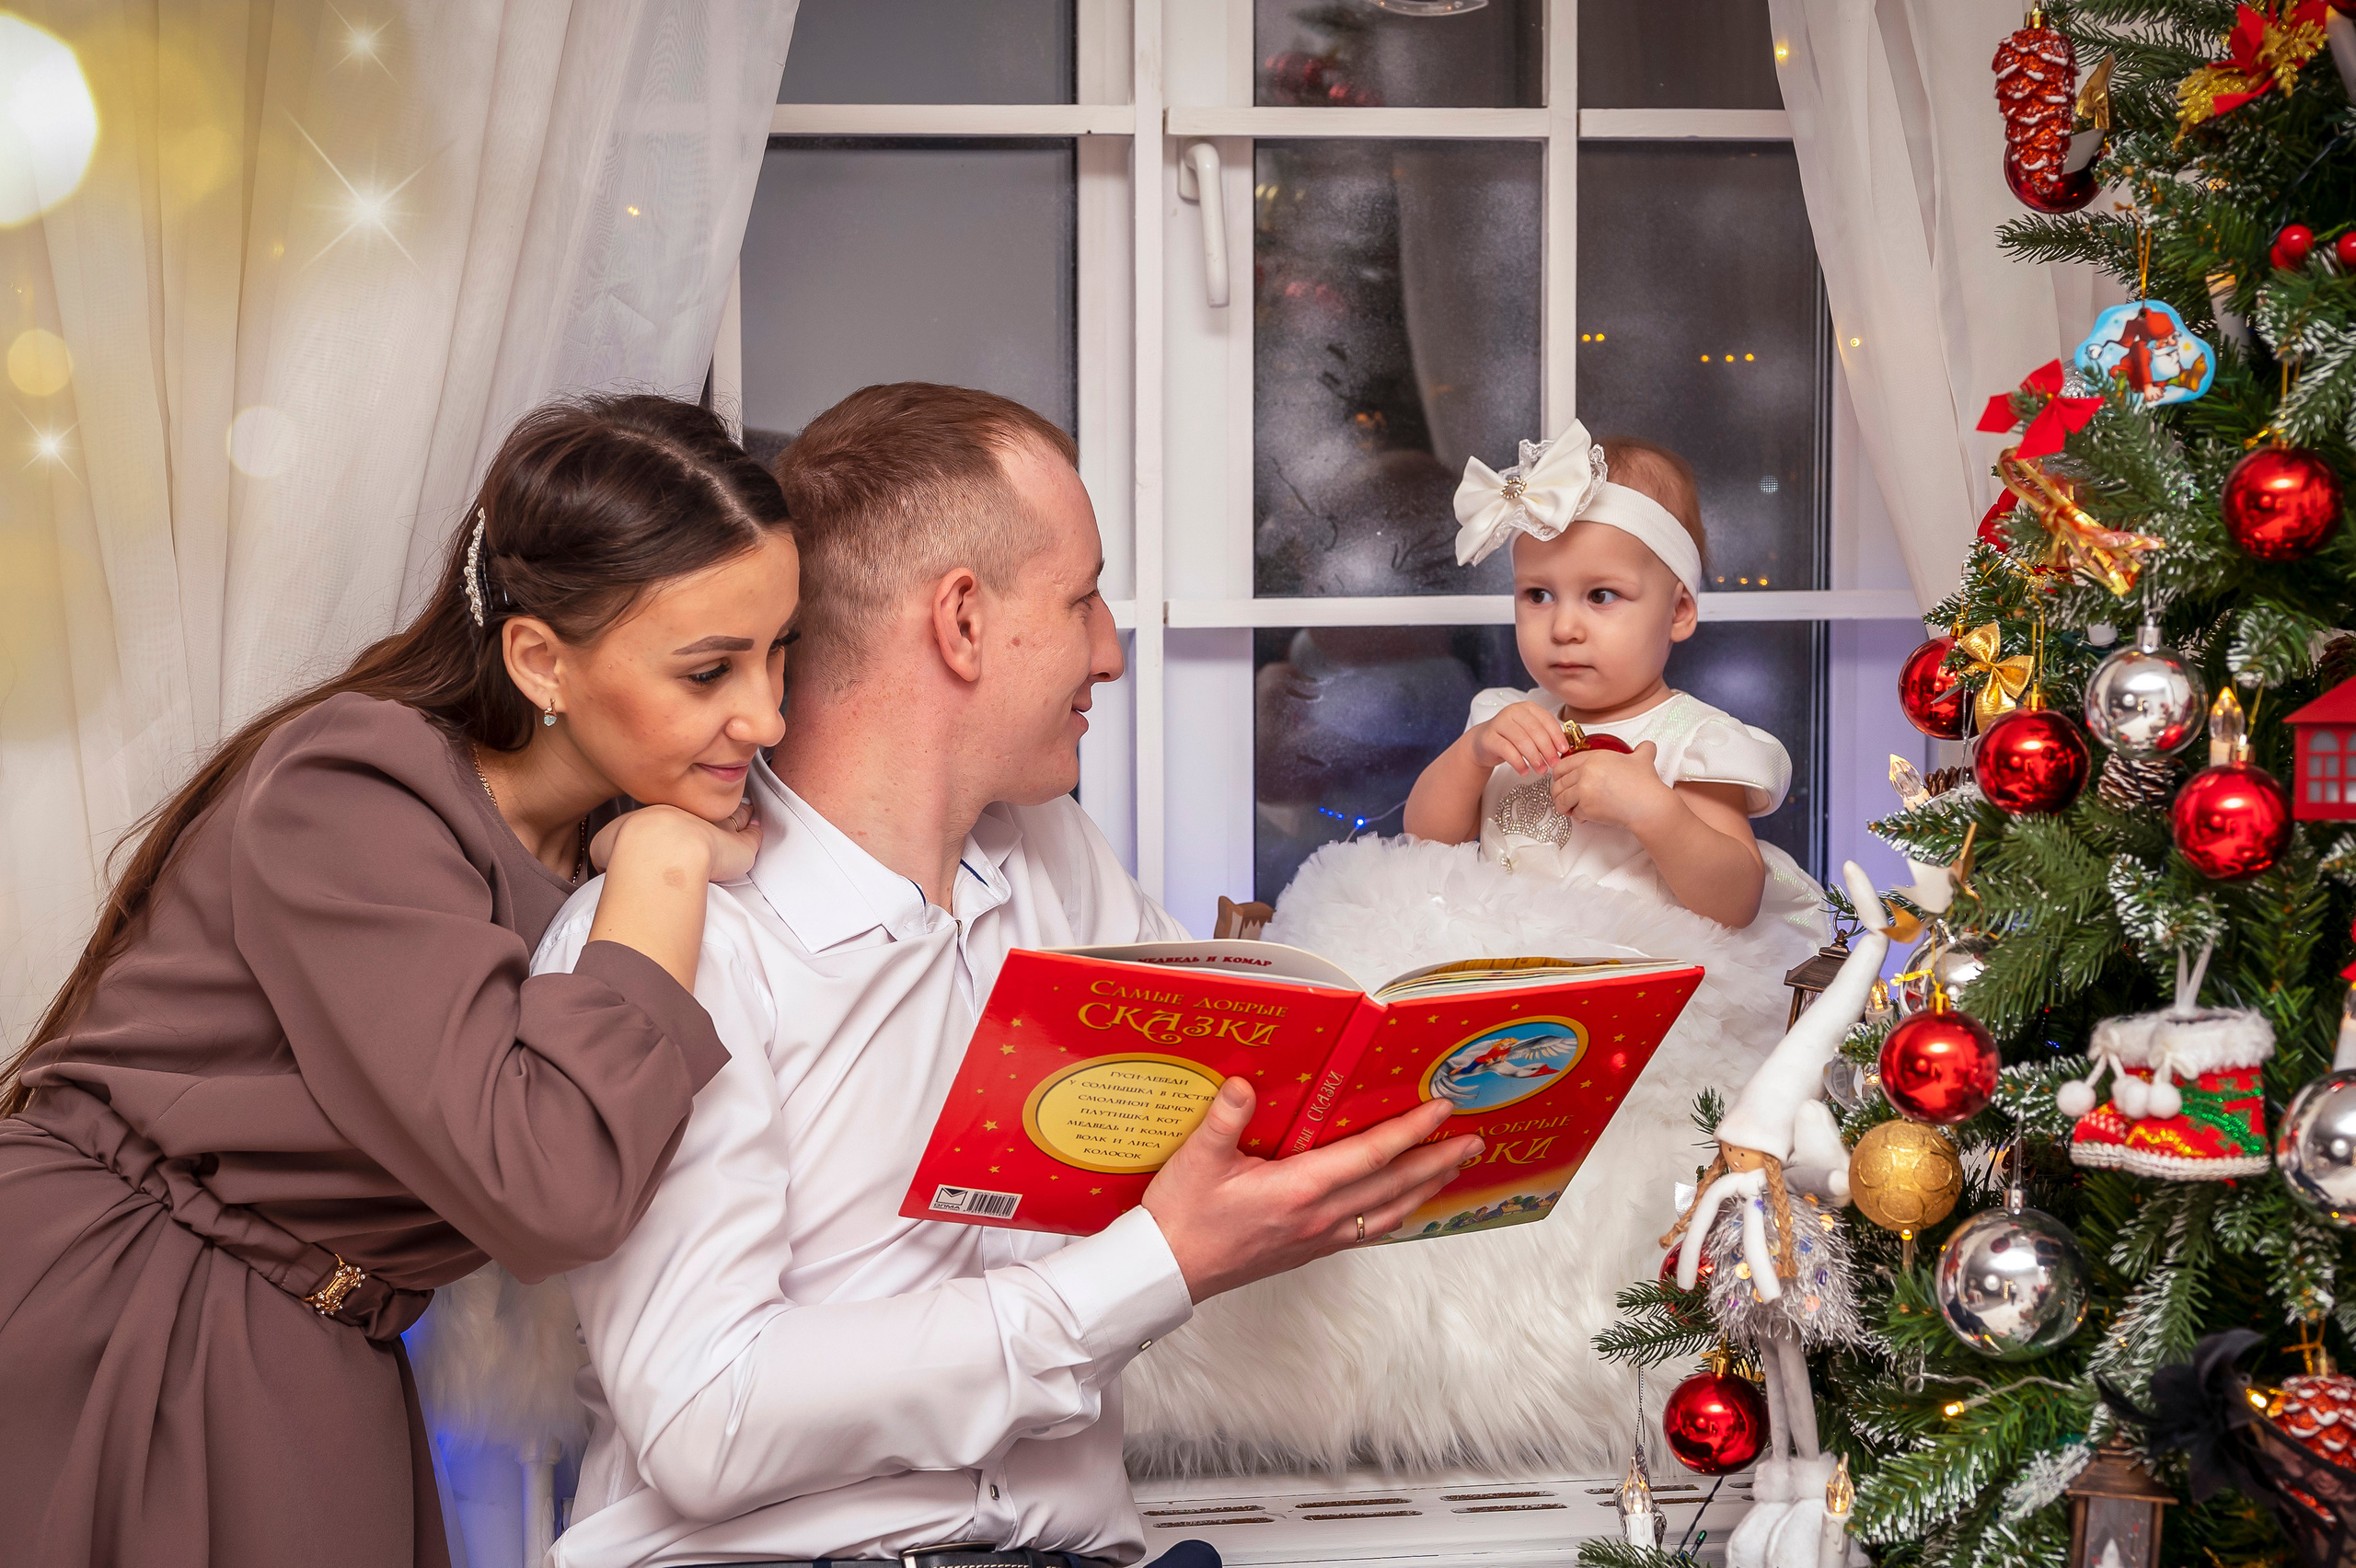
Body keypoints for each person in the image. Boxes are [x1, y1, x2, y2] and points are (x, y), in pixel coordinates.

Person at [533, 383, 1478, 1568]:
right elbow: (704, 1420)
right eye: (1081, 599)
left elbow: (1223, 1109)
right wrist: (1156, 1266)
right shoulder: (680, 943)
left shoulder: (1054, 861)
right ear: (962, 621)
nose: (1111, 651)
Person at [0, 394, 798, 1568]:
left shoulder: (598, 837)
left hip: (321, 1329)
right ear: (539, 662)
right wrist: (670, 865)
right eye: (709, 670)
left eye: (782, 652)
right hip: (114, 1305)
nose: (767, 714)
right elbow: (551, 1187)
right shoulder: (357, 787)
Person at [1403, 421, 1817, 935]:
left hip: (1635, 992)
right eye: (1538, 595)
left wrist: (1654, 810)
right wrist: (1472, 754)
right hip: (1505, 976)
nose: (1564, 628)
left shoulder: (1693, 743)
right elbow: (1425, 844)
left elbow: (1734, 903)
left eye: (1600, 596)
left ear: (1679, 612)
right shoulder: (1503, 720)